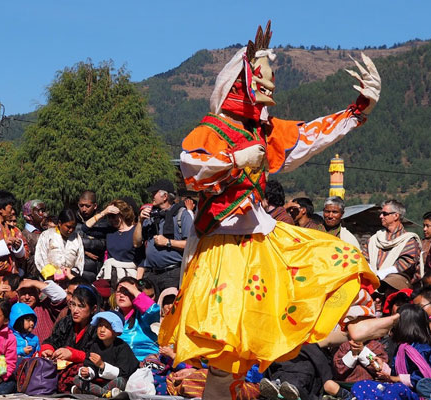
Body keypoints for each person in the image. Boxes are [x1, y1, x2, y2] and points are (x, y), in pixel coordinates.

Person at [159, 21, 380, 400]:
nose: (267, 93)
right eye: (260, 84)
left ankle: (353, 323)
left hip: (261, 243)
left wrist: (357, 110)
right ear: (240, 86)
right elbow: (192, 171)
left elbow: (307, 137)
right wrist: (235, 158)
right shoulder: (210, 131)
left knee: (338, 255)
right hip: (220, 248)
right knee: (222, 358)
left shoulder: (260, 132)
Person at [351, 304, 431, 399]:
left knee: (396, 389)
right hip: (399, 388)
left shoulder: (423, 350)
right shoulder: (401, 348)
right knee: (362, 385)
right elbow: (395, 373)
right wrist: (383, 367)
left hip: (417, 394)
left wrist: (394, 379)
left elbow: (422, 379)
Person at [133, 179, 192, 292]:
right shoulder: (150, 215)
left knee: (169, 308)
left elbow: (190, 244)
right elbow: (136, 243)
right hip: (150, 274)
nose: (151, 196)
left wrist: (167, 242)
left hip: (172, 273)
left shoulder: (182, 215)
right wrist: (140, 221)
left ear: (164, 196)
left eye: (154, 193)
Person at [40, 285, 100, 393]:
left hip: (86, 371)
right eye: (73, 305)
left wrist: (73, 355)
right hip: (61, 368)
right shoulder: (66, 322)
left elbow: (97, 355)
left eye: (81, 306)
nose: (75, 310)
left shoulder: (98, 328)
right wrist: (48, 350)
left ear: (93, 309)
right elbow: (52, 340)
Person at [73, 311, 139, 397]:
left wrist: (102, 365)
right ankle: (105, 393)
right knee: (77, 379)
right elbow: (90, 365)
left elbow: (123, 373)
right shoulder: (95, 345)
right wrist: (87, 372)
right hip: (98, 382)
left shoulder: (122, 347)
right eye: (100, 325)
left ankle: (90, 392)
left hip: (114, 381)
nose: (102, 330)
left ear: (116, 331)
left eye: (107, 327)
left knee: (121, 381)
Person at [365, 200, 422, 290]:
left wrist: (382, 274)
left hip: (395, 289)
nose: (381, 216)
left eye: (384, 214)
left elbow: (406, 262)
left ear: (396, 216)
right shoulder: (374, 239)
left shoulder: (408, 240)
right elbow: (364, 257)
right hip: (371, 287)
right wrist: (372, 274)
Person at [88, 200, 140, 285]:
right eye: (109, 217)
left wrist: (138, 281)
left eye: (114, 216)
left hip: (129, 277)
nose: (112, 220)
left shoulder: (135, 231)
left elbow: (141, 259)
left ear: (123, 214)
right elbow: (86, 228)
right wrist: (104, 212)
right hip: (110, 277)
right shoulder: (110, 231)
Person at [114, 277, 160, 361]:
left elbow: (153, 310)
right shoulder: (111, 317)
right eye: (119, 291)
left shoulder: (143, 316)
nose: (121, 295)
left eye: (127, 291)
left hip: (144, 363)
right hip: (119, 366)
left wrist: (135, 291)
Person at [34, 208, 84, 281]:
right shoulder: (47, 235)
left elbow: (80, 260)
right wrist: (53, 274)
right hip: (49, 280)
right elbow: (40, 257)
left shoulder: (76, 238)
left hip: (69, 280)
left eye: (73, 227)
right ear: (60, 223)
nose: (71, 230)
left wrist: (70, 274)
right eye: (68, 227)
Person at [15, 278, 67, 343]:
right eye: (23, 293)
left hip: (48, 350)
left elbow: (61, 296)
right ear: (18, 295)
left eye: (31, 293)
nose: (27, 297)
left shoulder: (45, 306)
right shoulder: (13, 311)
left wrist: (34, 282)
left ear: (39, 294)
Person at [74, 190, 109, 282]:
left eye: (87, 206)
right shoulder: (73, 220)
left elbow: (103, 244)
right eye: (81, 205)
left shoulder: (102, 223)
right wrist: (83, 251)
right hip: (74, 268)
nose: (84, 209)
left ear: (95, 206)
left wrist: (78, 243)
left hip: (94, 269)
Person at [21, 200, 47, 275]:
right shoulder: (24, 235)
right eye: (40, 211)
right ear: (29, 215)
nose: (44, 214)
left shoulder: (45, 232)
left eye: (44, 211)